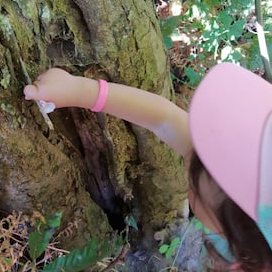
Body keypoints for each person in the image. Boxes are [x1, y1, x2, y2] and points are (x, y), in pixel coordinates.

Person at [24, 62, 272, 271]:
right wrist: (78, 90)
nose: (189, 167)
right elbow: (165, 119)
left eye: (194, 188)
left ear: (239, 231)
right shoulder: (240, 217)